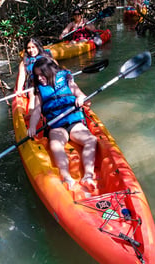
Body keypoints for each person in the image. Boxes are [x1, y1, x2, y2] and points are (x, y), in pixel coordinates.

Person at [27, 56, 97, 191]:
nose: (40, 78)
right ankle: (66, 177)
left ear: (50, 71)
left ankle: (88, 176)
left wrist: (81, 98)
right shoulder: (39, 90)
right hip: (57, 126)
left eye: (42, 74)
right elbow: (36, 110)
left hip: (74, 121)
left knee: (91, 140)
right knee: (55, 144)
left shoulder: (66, 80)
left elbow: (82, 96)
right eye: (37, 76)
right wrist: (31, 126)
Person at [14, 37, 52, 110]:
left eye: (33, 47)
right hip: (34, 84)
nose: (31, 50)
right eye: (28, 48)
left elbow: (56, 69)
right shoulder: (24, 62)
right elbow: (22, 75)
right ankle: (31, 112)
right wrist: (19, 89)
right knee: (32, 94)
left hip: (47, 81)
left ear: (38, 47)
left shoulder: (47, 57)